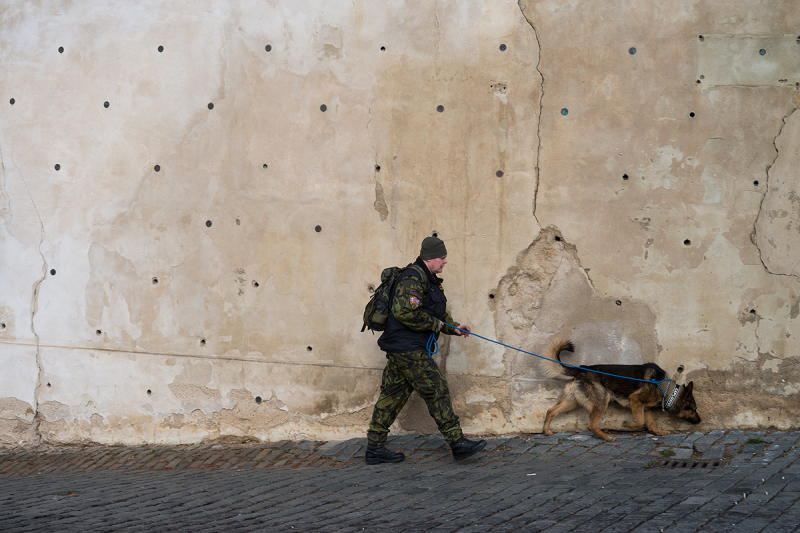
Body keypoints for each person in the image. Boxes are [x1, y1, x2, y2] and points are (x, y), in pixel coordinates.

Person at [365, 236, 487, 464]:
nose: (445, 262)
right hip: (408, 348)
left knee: (391, 397)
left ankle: (374, 449)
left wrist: (454, 328)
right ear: (430, 258)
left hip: (404, 349)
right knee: (437, 389)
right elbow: (404, 312)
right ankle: (457, 443)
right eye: (442, 257)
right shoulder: (412, 278)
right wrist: (436, 325)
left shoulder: (429, 280)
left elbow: (435, 314)